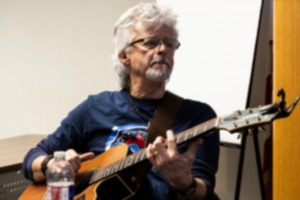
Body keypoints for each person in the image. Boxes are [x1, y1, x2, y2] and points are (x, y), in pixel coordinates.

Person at [22, 3, 220, 200]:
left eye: (169, 43)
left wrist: (184, 182)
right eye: (151, 42)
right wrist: (51, 165)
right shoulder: (95, 108)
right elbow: (33, 157)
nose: (163, 50)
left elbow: (204, 190)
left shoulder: (199, 117)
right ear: (125, 55)